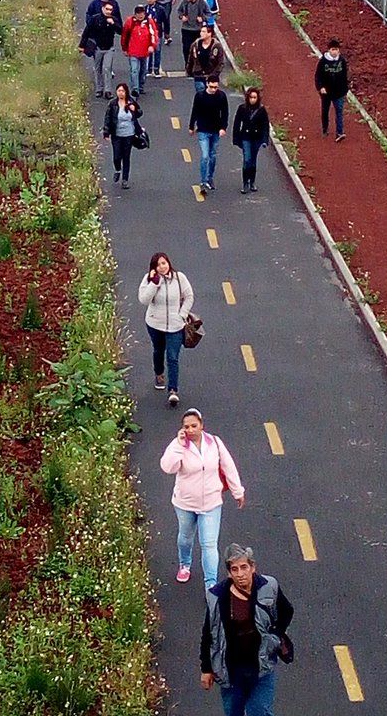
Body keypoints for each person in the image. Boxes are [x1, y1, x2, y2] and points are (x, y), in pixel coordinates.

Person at [200, 544, 294, 715]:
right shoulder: (217, 596)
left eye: (244, 567)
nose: (240, 574)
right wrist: (206, 669)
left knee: (259, 710)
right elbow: (208, 633)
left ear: (252, 567)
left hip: (261, 665)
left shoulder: (268, 586)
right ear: (229, 573)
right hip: (231, 670)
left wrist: (274, 636)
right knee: (233, 712)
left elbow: (286, 611)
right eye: (234, 569)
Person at [160, 409, 245, 591]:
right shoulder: (179, 445)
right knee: (185, 538)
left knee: (209, 544)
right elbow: (167, 467)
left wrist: (237, 491)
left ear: (201, 425)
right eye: (186, 427)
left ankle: (211, 583)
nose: (190, 430)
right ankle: (185, 564)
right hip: (185, 503)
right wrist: (179, 446)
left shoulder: (215, 443)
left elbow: (228, 466)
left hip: (211, 503)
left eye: (194, 425)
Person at [138, 252, 194, 406]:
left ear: (168, 263)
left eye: (164, 263)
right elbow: (144, 300)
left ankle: (173, 390)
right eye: (158, 265)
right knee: (158, 350)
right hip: (155, 324)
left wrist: (182, 315)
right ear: (153, 268)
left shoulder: (179, 278)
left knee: (173, 357)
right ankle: (159, 373)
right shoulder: (149, 279)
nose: (162, 267)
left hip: (176, 325)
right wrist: (154, 283)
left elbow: (189, 296)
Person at [189, 76, 229, 194]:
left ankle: (210, 177)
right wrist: (191, 126)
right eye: (211, 87)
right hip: (203, 129)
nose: (213, 89)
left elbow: (225, 113)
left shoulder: (221, 96)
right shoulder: (200, 96)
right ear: (207, 84)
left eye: (215, 87)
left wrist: (223, 128)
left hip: (216, 130)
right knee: (205, 156)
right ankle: (203, 181)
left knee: (213, 155)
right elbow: (195, 111)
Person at [79, 0, 122, 98]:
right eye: (107, 9)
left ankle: (108, 90)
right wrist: (82, 45)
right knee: (97, 68)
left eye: (110, 10)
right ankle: (99, 88)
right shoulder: (95, 19)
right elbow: (86, 32)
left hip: (109, 48)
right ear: (102, 8)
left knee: (107, 68)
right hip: (97, 48)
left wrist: (113, 24)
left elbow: (121, 31)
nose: (108, 11)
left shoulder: (113, 20)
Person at [103, 83, 142, 190]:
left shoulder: (131, 102)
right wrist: (106, 132)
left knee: (126, 157)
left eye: (122, 91)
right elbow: (108, 118)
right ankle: (117, 169)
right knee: (116, 156)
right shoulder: (113, 104)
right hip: (116, 134)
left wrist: (135, 110)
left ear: (126, 92)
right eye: (119, 91)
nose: (120, 93)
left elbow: (139, 113)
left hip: (129, 134)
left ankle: (125, 179)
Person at [232, 88, 270, 193]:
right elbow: (237, 123)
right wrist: (235, 138)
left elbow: (265, 125)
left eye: (254, 98)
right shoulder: (242, 108)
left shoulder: (261, 110)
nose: (252, 100)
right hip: (246, 137)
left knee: (253, 161)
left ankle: (252, 182)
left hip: (257, 138)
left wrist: (265, 140)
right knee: (247, 159)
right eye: (251, 97)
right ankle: (245, 183)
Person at [314, 38, 349, 141]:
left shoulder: (342, 61)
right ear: (329, 50)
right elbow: (318, 76)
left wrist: (345, 89)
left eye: (336, 49)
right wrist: (320, 87)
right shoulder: (323, 62)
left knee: (339, 111)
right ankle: (325, 128)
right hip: (326, 92)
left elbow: (344, 76)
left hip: (339, 92)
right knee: (325, 110)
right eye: (333, 49)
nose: (335, 52)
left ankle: (339, 133)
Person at [121, 5, 158, 97]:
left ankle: (141, 86)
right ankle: (135, 89)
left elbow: (154, 34)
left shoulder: (149, 22)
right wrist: (124, 48)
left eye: (142, 13)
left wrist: (152, 45)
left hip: (145, 52)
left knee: (143, 70)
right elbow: (124, 36)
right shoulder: (130, 22)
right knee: (134, 70)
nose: (140, 15)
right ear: (135, 14)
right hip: (133, 51)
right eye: (138, 13)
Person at [178, 0, 209, 68]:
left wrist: (202, 18)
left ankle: (197, 65)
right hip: (186, 28)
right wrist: (181, 17)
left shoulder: (202, 3)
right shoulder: (185, 1)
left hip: (197, 29)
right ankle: (188, 65)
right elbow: (179, 10)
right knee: (186, 48)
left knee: (198, 47)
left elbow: (208, 13)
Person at [186, 25, 224, 93]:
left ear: (209, 33)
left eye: (203, 32)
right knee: (201, 93)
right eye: (201, 31)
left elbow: (220, 62)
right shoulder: (195, 45)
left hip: (211, 77)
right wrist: (189, 71)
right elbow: (190, 59)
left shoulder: (217, 46)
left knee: (211, 95)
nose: (201, 33)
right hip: (198, 75)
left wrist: (214, 74)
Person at [144, 0, 169, 78]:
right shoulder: (145, 9)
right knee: (149, 51)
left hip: (157, 33)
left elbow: (165, 21)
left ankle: (156, 69)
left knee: (157, 51)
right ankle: (149, 69)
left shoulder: (160, 9)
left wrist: (167, 33)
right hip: (147, 33)